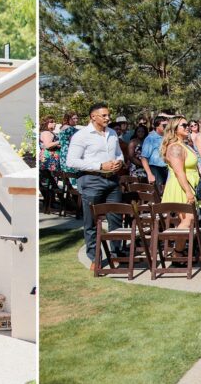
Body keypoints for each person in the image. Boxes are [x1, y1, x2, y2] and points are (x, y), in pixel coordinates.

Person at [67, 103, 126, 266]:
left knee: (115, 218)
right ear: (93, 117)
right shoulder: (81, 136)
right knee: (91, 221)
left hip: (112, 180)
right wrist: (100, 166)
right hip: (91, 180)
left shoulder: (112, 133)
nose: (108, 118)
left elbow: (119, 154)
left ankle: (116, 253)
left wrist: (119, 163)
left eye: (108, 115)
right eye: (104, 115)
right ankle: (95, 258)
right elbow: (71, 161)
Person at [160, 116, 200, 232]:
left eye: (188, 125)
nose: (187, 127)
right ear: (174, 129)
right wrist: (188, 192)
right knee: (188, 220)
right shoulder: (176, 147)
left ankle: (179, 250)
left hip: (190, 184)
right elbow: (179, 172)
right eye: (184, 125)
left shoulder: (184, 145)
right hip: (181, 186)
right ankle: (177, 248)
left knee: (187, 220)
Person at [140, 116, 169, 191]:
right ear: (157, 126)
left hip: (167, 167)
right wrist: (149, 174)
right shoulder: (150, 138)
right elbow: (144, 157)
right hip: (155, 168)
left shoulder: (167, 137)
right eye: (164, 125)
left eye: (167, 125)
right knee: (158, 193)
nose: (166, 127)